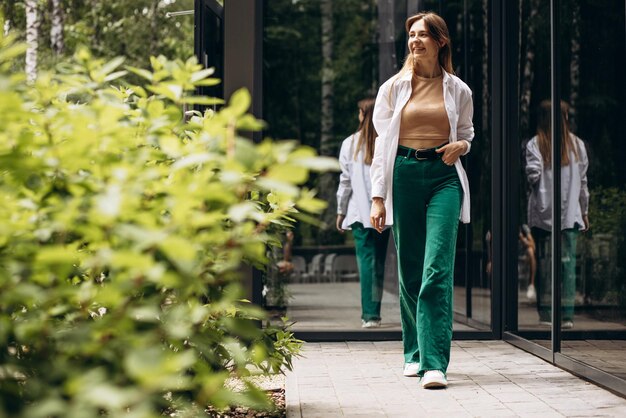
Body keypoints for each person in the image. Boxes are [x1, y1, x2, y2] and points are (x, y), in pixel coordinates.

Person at [369, 12, 474, 389]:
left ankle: (434, 364)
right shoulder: (393, 88)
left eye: (423, 35)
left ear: (439, 42)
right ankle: (413, 352)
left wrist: (462, 145)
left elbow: (466, 132)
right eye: (411, 35)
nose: (415, 41)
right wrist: (377, 197)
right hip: (405, 175)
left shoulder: (458, 89)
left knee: (436, 270)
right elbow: (382, 145)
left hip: (444, 179)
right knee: (411, 269)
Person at [525, 100, 589, 329]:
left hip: (543, 213)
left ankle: (546, 314)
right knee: (568, 265)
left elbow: (532, 177)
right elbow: (583, 182)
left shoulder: (536, 144)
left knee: (544, 263)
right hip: (570, 213)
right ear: (565, 118)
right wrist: (584, 210)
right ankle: (568, 315)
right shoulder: (577, 145)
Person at [336, 97, 391, 329]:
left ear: (362, 114)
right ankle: (373, 313)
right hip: (383, 212)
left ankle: (370, 315)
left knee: (366, 262)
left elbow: (345, 182)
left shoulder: (350, 143)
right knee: (378, 263)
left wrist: (340, 210)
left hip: (359, 213)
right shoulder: (386, 141)